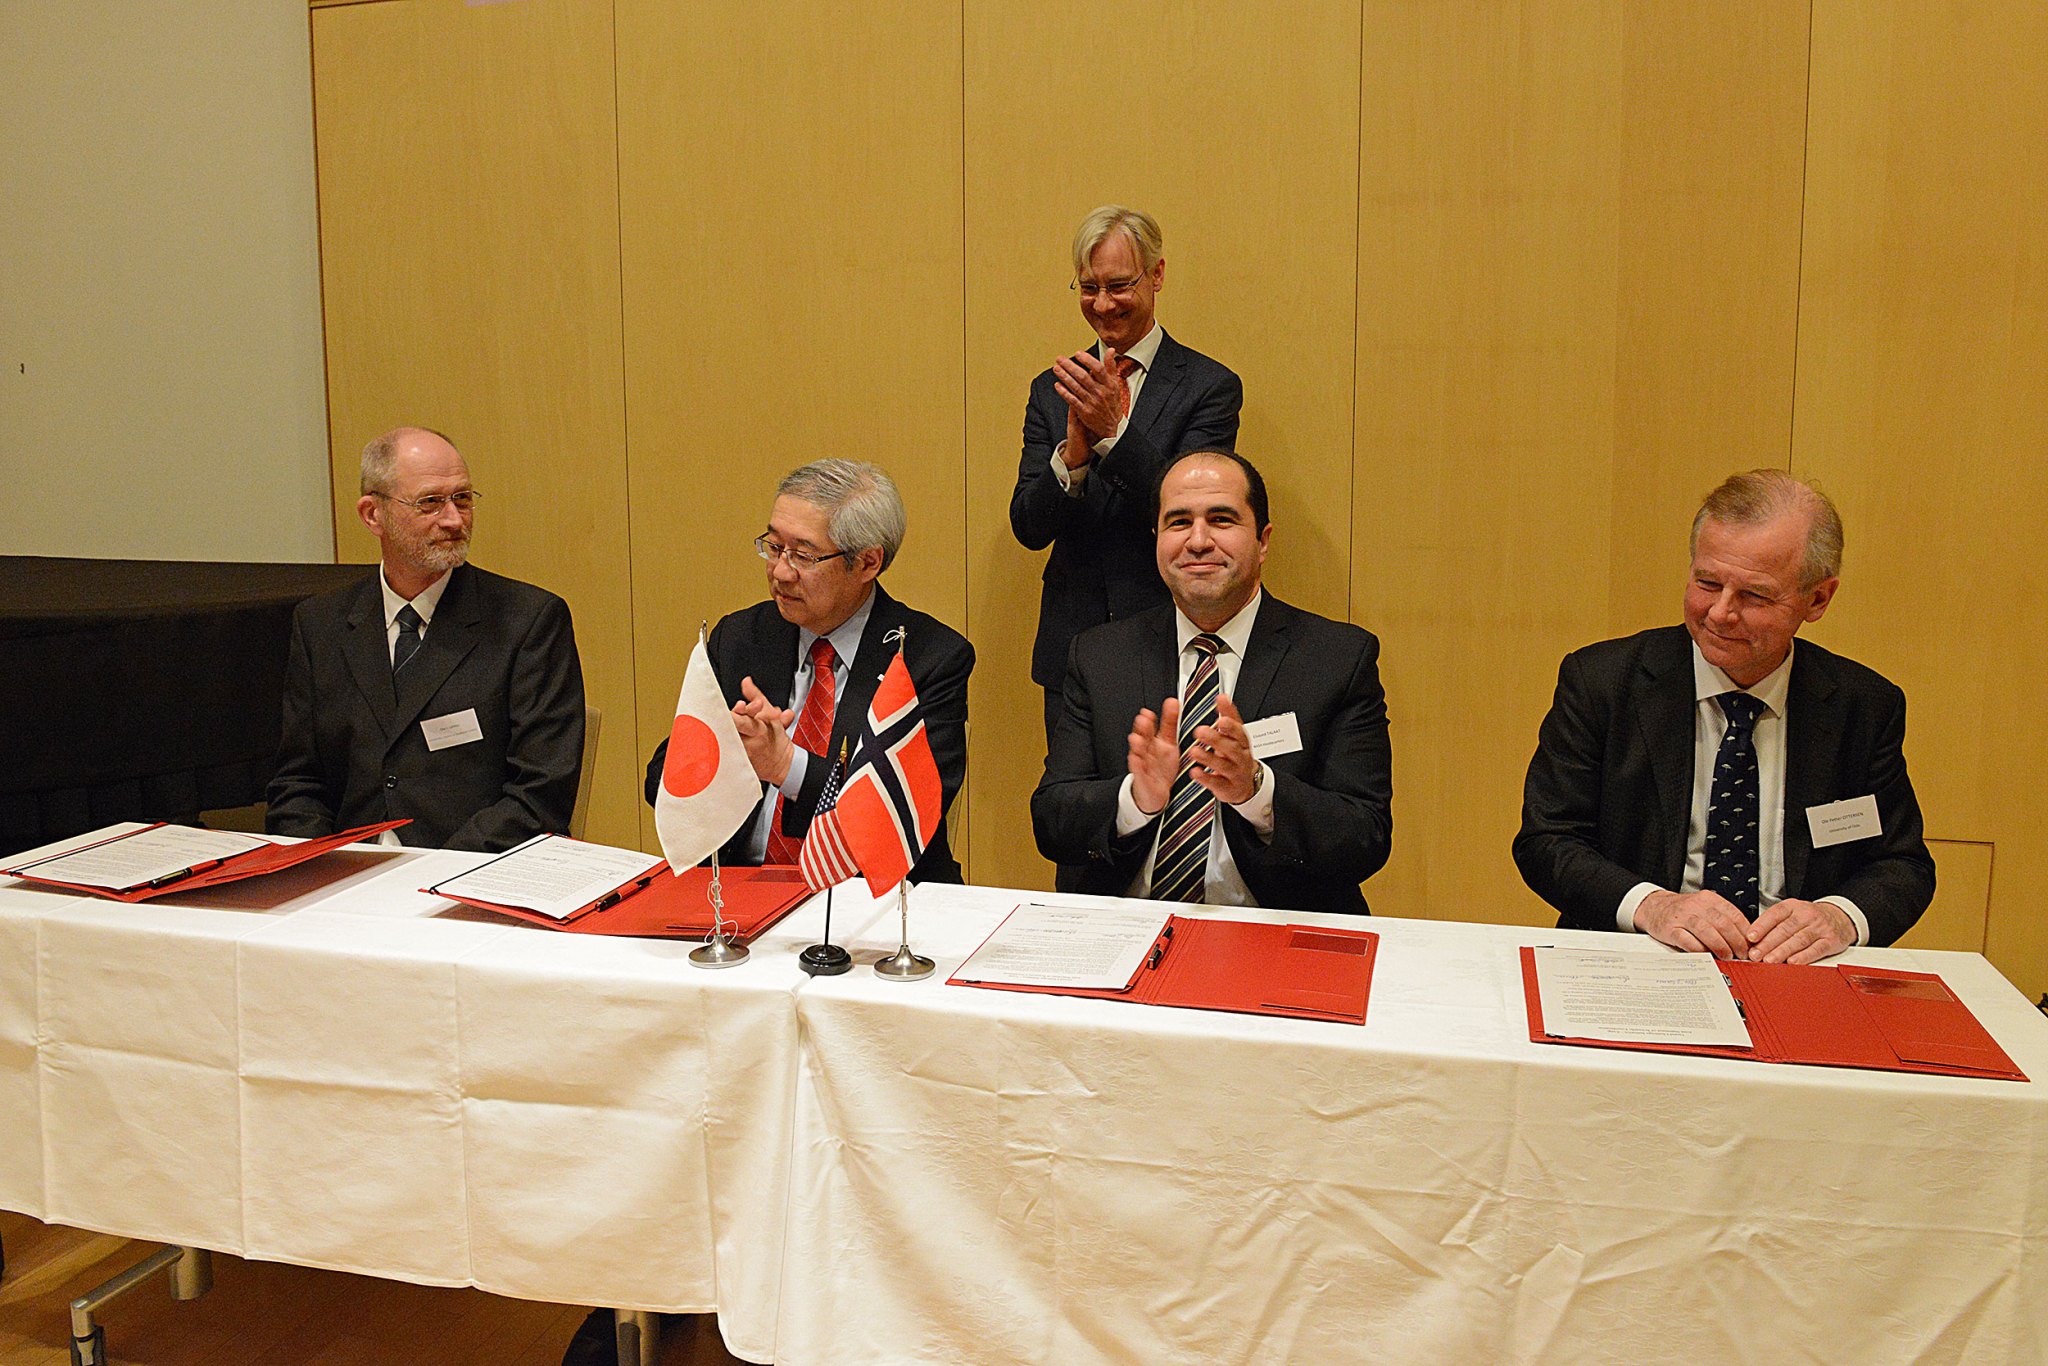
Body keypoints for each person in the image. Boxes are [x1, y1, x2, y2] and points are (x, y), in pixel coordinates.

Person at [1514, 468, 1934, 963]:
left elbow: (1901, 864)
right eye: (1707, 582)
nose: (1719, 613)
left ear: (1817, 599)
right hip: (1638, 956)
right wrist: (1654, 906)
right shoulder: (1603, 682)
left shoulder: (1861, 705)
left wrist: (1839, 917)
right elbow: (1548, 841)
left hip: (1798, 973)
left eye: (1753, 595)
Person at [1032, 450, 1392, 912]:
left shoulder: (1337, 658)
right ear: (1157, 539)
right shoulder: (1100, 655)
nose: (1198, 541)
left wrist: (1255, 790)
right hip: (1126, 929)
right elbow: (1052, 822)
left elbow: (1366, 837)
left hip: (1273, 933)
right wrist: (1135, 799)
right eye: (1178, 522)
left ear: (1262, 541)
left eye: (1221, 520)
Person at [642, 459, 973, 883]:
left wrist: (786, 765)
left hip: (874, 902)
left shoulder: (928, 658)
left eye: (803, 555)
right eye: (774, 547)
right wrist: (717, 752)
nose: (780, 571)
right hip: (739, 898)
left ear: (868, 563)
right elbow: (659, 782)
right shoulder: (742, 637)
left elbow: (901, 812)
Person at [267, 427, 585, 851]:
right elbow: (297, 783)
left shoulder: (528, 622)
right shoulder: (320, 624)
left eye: (463, 499)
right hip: (347, 886)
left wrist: (431, 877)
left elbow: (540, 793)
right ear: (372, 514)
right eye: (430, 503)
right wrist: (319, 870)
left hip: (469, 878)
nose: (454, 519)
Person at [1010, 205, 1243, 745]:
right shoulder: (1052, 389)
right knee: (1074, 808)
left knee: (1170, 801)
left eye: (1119, 285)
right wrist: (1072, 457)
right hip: (1072, 641)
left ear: (1157, 276)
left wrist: (1112, 435)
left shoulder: (1209, 387)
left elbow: (1188, 516)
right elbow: (1027, 526)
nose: (1103, 303)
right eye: (1088, 287)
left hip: (1172, 636)